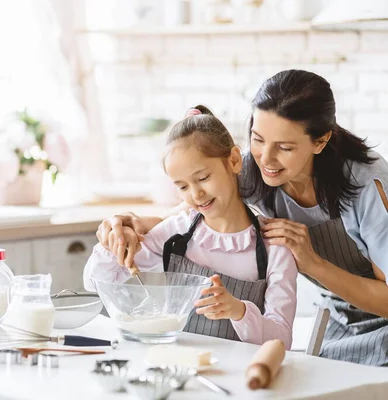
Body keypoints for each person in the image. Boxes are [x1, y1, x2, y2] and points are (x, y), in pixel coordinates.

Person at [97, 70, 388, 366]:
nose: (266, 159)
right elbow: (192, 210)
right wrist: (127, 224)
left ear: (320, 140)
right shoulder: (253, 169)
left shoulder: (367, 184)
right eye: (258, 139)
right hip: (338, 322)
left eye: (285, 148)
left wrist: (312, 263)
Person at [84, 106, 298, 349]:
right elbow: (95, 281)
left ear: (234, 161)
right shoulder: (175, 234)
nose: (196, 194)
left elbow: (282, 340)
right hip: (180, 369)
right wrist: (115, 244)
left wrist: (239, 311)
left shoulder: (275, 248)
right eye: (182, 186)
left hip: (242, 378)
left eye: (203, 178)